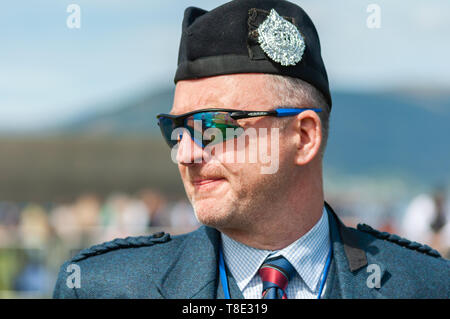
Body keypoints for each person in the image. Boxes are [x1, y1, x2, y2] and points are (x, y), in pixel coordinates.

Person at [53, 0, 449, 299]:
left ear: (304, 136)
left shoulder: (426, 286)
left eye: (213, 125)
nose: (185, 153)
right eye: (175, 128)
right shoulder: (104, 288)